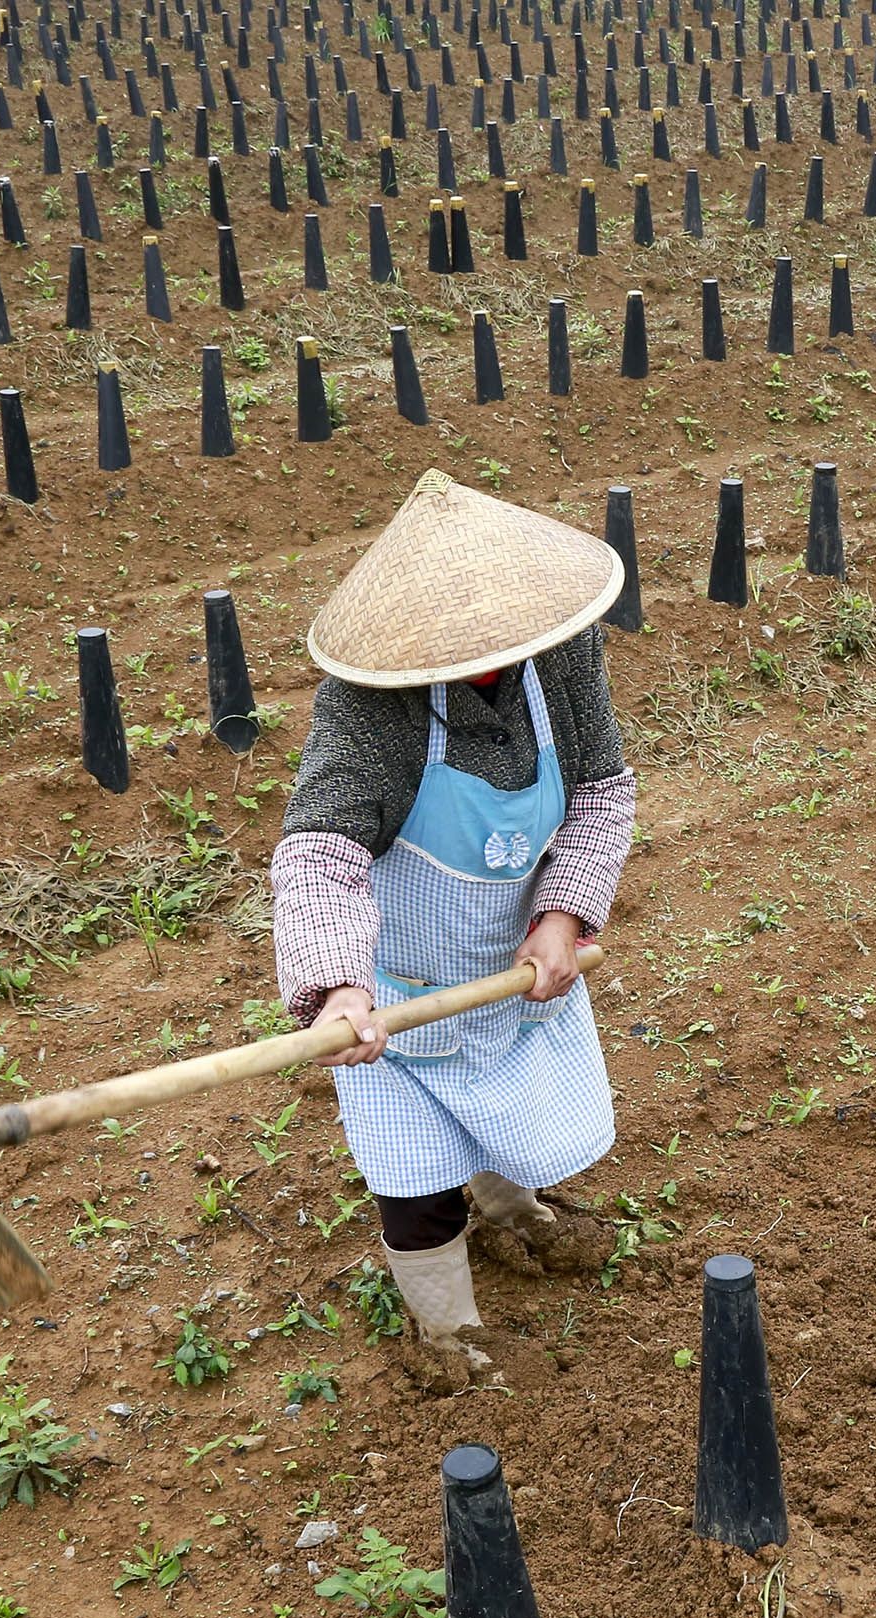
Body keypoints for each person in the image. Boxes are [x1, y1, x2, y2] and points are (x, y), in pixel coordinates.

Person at [271, 470, 635, 1353]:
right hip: (398, 989)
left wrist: (562, 915)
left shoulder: (561, 655)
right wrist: (339, 987)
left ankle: (512, 1207)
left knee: (511, 1104)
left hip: (512, 965)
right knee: (417, 1172)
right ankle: (446, 1330)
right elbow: (321, 853)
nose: (491, 655)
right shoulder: (371, 706)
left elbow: (601, 795)